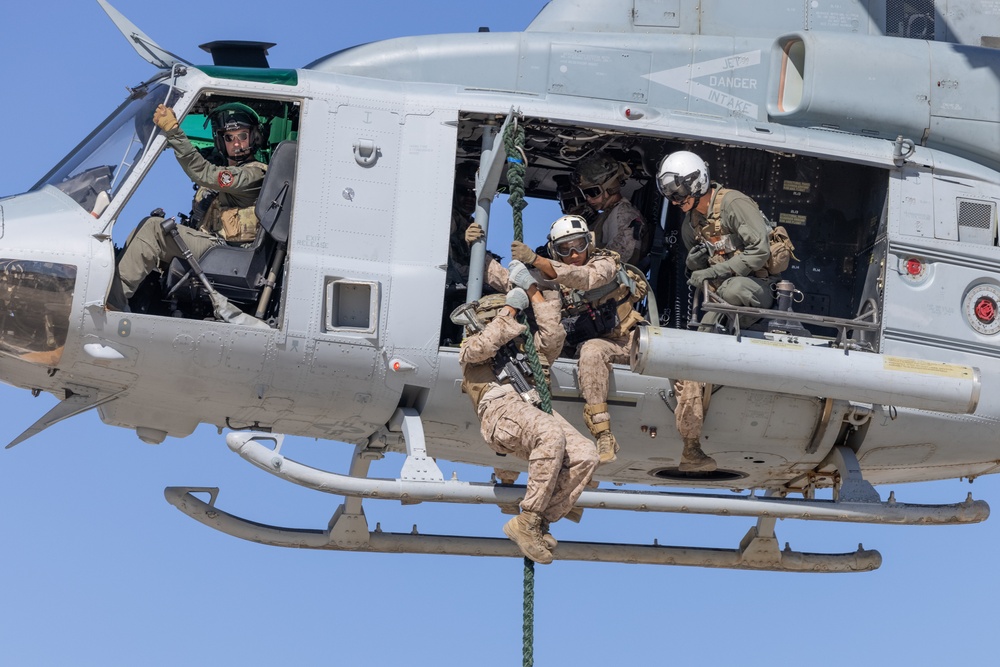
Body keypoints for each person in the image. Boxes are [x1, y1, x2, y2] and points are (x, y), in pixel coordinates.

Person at [457, 279, 598, 564]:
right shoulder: (472, 346)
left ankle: (536, 522)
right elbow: (482, 347)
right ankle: (530, 518)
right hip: (500, 409)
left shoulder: (526, 350)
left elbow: (553, 335)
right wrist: (508, 310)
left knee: (585, 455)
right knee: (549, 433)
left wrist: (533, 293)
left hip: (530, 407)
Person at [510, 215, 649, 465]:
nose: (574, 253)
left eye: (580, 245)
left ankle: (603, 434)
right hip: (581, 344)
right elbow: (510, 279)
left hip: (625, 341)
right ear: (555, 250)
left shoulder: (605, 263)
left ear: (590, 243)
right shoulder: (552, 275)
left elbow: (585, 278)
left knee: (592, 350)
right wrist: (477, 248)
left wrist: (536, 260)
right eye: (565, 248)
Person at [116, 102, 269, 302]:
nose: (237, 143)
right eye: (229, 138)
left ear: (254, 137)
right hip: (211, 246)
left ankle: (111, 302)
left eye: (242, 136)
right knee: (141, 232)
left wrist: (173, 131)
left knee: (153, 230)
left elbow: (203, 172)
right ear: (221, 142)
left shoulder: (254, 173)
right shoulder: (218, 163)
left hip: (228, 253)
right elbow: (190, 155)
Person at [655, 150, 776, 332]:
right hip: (720, 297)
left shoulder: (734, 204)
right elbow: (701, 274)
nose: (673, 203)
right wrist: (694, 265)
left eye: (677, 195)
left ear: (696, 184)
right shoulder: (690, 225)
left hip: (756, 288)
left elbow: (759, 251)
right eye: (670, 196)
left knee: (733, 289)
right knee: (706, 328)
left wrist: (713, 271)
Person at [572, 152, 650, 267]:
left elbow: (619, 261)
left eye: (592, 192)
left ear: (610, 187)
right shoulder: (608, 215)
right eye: (585, 194)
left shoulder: (624, 214)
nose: (588, 199)